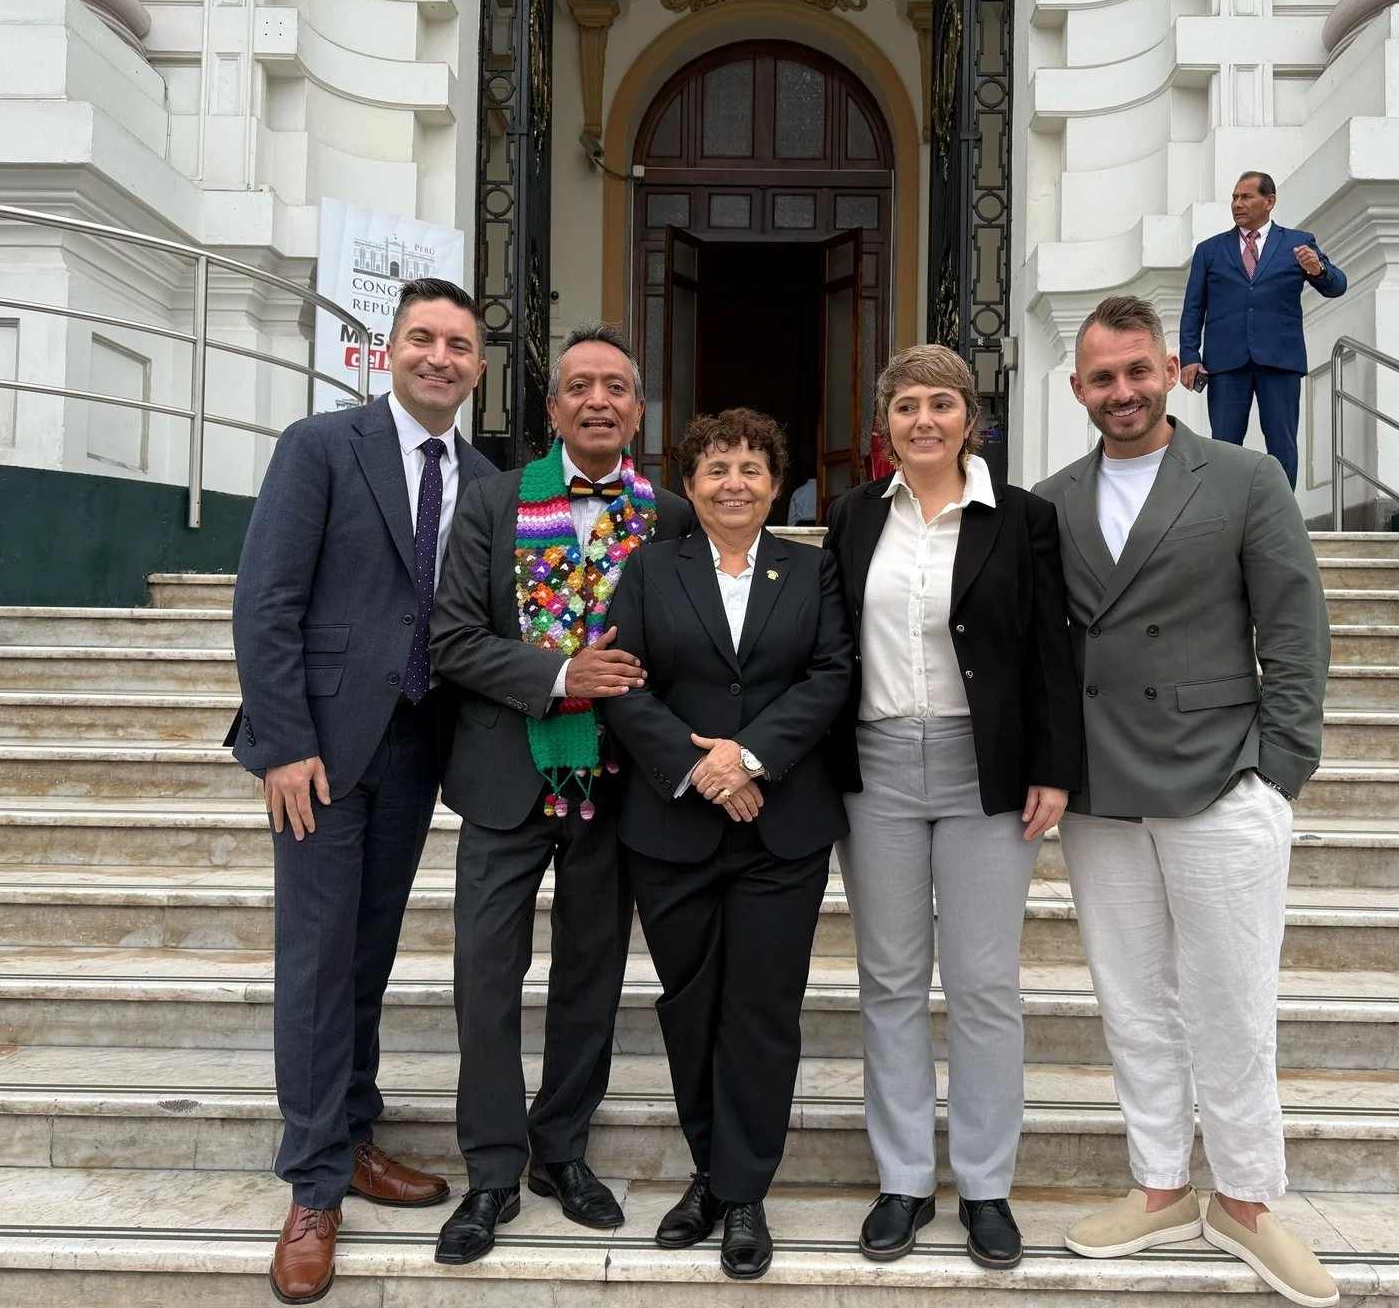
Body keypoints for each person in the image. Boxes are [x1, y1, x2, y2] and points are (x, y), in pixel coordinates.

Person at [1035, 295, 1334, 1307]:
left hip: (1219, 772)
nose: (1121, 392)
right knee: (1133, 997)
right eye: (1101, 378)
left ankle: (1247, 1201)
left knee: (1233, 999)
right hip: (1102, 787)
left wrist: (1279, 767)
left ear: (1171, 371)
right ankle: (1161, 1183)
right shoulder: (1053, 498)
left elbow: (1293, 626)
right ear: (1076, 389)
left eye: (1137, 372)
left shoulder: (1245, 477)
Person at [228, 276, 496, 1305]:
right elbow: (266, 600)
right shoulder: (320, 446)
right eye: (423, 338)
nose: (440, 356)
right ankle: (313, 1186)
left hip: (418, 748)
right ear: (389, 354)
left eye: (459, 344)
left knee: (369, 952)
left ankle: (353, 1128)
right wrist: (285, 743)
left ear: (477, 367)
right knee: (316, 956)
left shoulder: (482, 475)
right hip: (322, 753)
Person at [427, 323, 693, 1264]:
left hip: (618, 785)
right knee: (486, 980)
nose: (597, 401)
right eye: (579, 386)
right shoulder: (491, 504)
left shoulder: (669, 513)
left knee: (592, 976)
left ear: (637, 408)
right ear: (551, 409)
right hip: (506, 776)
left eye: (615, 387)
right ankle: (493, 1170)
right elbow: (452, 640)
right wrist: (560, 673)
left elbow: (689, 645)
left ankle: (561, 1150)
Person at [822, 345, 1081, 1270]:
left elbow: (1053, 648)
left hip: (988, 768)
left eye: (942, 404)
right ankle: (901, 1181)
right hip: (878, 767)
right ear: (883, 426)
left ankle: (984, 1186)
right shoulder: (854, 517)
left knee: (982, 985)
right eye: (905, 407)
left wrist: (1053, 766)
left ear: (971, 419)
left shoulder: (1021, 518)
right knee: (889, 980)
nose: (923, 421)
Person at [599, 408, 854, 1281]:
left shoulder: (813, 570)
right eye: (715, 469)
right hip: (672, 824)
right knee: (690, 1003)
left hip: (782, 827)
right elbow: (622, 679)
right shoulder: (648, 568)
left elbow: (832, 675)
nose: (734, 482)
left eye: (751, 467)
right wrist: (696, 767)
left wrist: (747, 757)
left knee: (760, 1010)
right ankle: (709, 1172)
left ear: (777, 484)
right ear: (691, 484)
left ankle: (743, 1193)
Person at [1178, 171, 1346, 486]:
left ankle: (1281, 519)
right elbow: (1193, 308)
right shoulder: (1209, 250)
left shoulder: (1299, 243)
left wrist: (1318, 269)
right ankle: (1225, 516)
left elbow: (1337, 286)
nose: (1237, 204)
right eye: (1234, 197)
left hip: (1280, 360)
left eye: (1246, 197)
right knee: (1223, 446)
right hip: (1226, 363)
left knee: (1282, 445)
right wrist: (1189, 355)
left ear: (1269, 201)